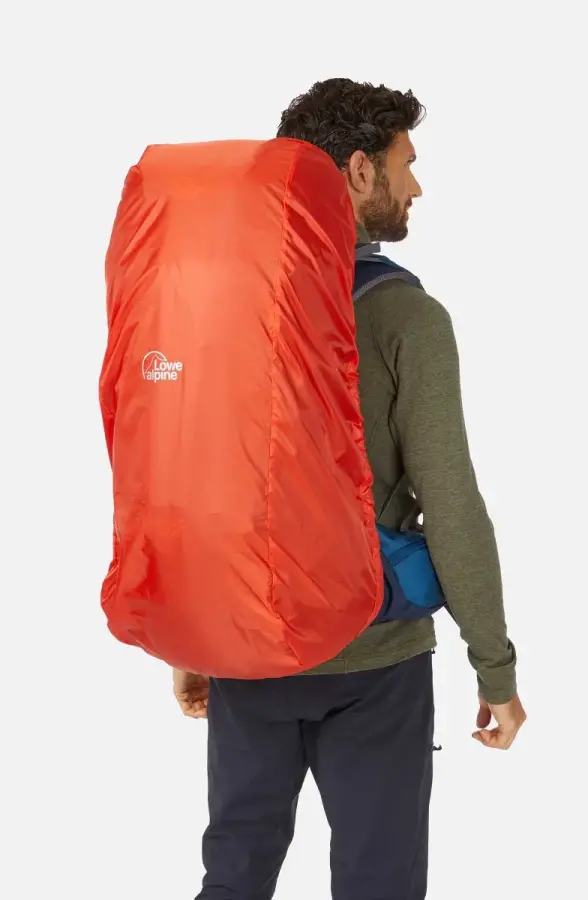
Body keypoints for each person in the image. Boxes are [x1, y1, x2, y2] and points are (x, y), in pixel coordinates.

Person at [175, 78, 527, 900]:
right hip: (375, 657)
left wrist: (193, 645)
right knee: (380, 883)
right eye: (407, 164)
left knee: (234, 876)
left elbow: (193, 480)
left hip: (246, 644)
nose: (417, 187)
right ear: (361, 169)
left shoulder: (224, 299)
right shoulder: (406, 317)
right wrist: (496, 671)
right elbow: (453, 501)